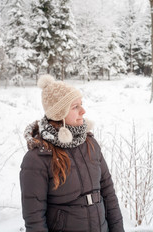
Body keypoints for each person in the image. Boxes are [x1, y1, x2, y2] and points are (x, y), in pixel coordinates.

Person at [20, 74, 125, 232]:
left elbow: (108, 193)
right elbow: (34, 219)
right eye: (75, 107)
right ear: (59, 114)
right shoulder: (38, 158)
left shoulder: (90, 144)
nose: (83, 111)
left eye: (81, 104)